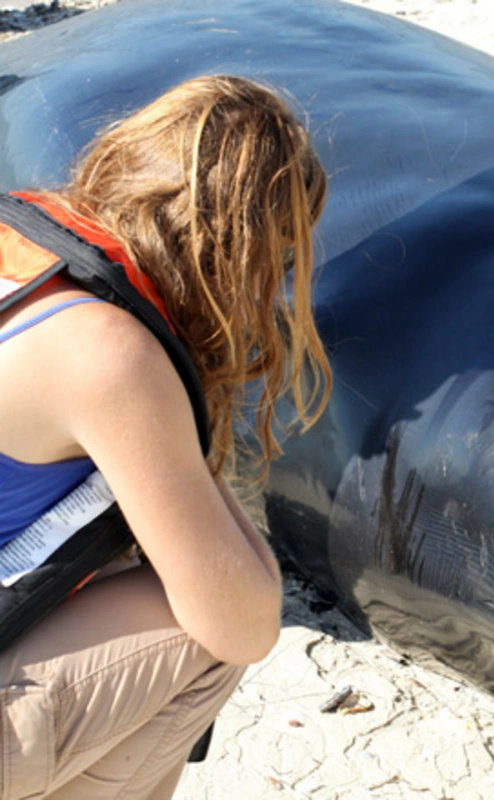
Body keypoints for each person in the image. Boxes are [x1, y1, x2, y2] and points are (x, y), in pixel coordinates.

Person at [0, 75, 329, 798]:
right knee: (204, 635)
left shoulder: (24, 243)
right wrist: (186, 439)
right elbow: (241, 624)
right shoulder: (105, 350)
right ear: (239, 252)